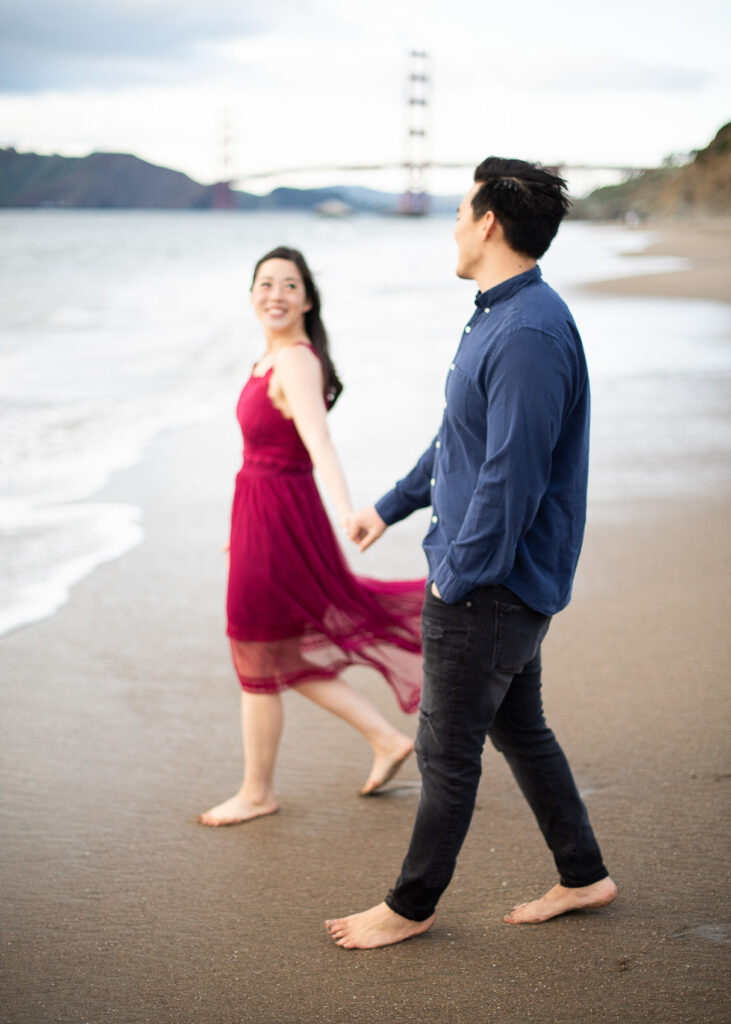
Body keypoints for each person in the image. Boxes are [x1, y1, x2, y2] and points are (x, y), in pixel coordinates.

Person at [325, 158, 617, 948]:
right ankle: (583, 873)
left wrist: (457, 579)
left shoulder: (525, 333)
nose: (452, 224)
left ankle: (408, 907)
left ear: (489, 222)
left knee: (446, 753)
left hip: (489, 585)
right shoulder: (498, 314)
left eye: (460, 210)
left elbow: (510, 478)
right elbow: (459, 440)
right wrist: (389, 507)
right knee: (521, 730)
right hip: (498, 579)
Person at [198, 247, 424, 827]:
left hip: (280, 517)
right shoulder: (266, 360)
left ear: (307, 300)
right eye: (266, 283)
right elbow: (259, 456)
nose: (275, 294)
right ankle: (385, 739)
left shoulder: (295, 362)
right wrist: (238, 531)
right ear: (251, 294)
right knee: (278, 650)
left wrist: (348, 509)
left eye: (289, 285)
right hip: (261, 515)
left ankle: (257, 793)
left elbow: (318, 443)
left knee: (255, 648)